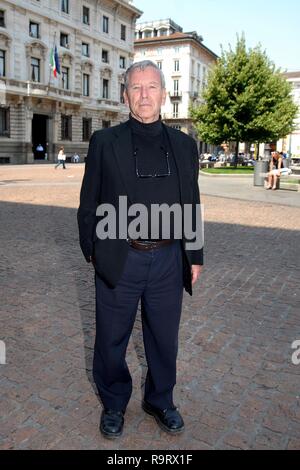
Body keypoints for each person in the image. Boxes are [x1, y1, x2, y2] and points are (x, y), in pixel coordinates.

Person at [77, 60, 203, 439]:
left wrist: (194, 254)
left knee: (164, 337)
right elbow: (89, 204)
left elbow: (191, 202)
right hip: (120, 256)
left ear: (164, 94)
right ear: (125, 95)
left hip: (168, 258)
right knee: (110, 337)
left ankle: (160, 399)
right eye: (137, 87)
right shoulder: (104, 142)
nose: (145, 95)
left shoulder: (184, 145)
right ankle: (114, 402)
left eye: (152, 87)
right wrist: (95, 252)